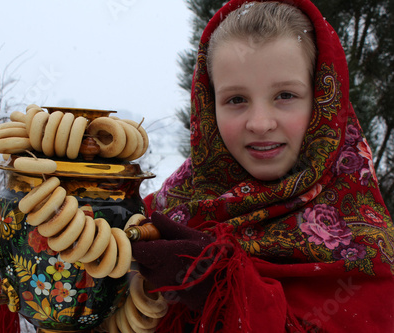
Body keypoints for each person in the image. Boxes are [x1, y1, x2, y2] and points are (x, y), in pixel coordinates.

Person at [131, 0, 394, 332]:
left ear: (323, 100)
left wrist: (222, 290)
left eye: (285, 95)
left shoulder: (361, 243)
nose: (259, 123)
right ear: (209, 107)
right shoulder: (166, 212)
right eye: (236, 100)